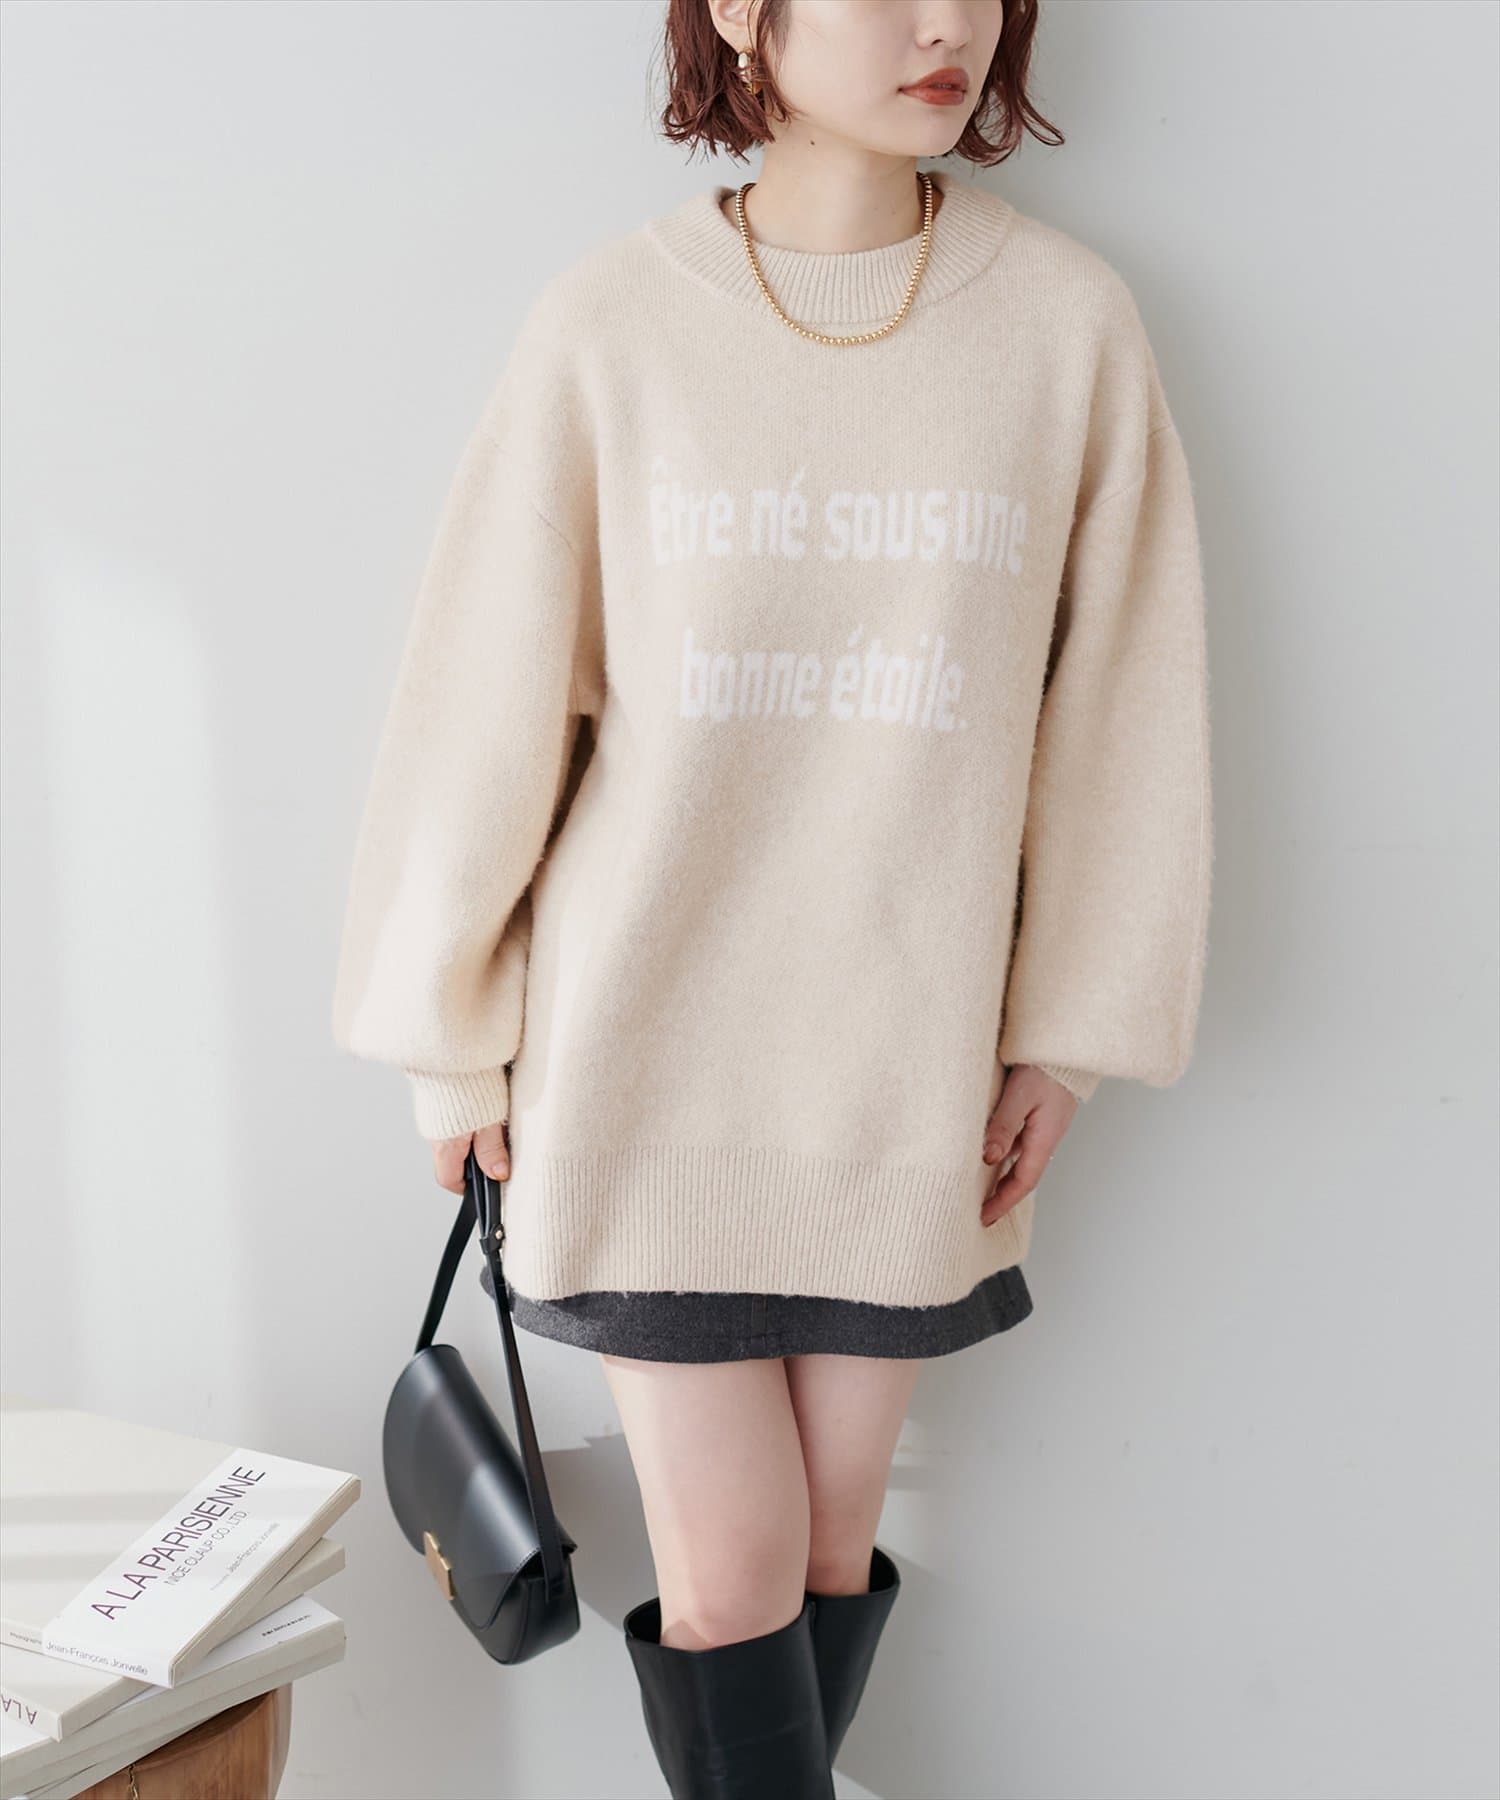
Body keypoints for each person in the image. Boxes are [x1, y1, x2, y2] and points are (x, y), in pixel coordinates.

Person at [330, 0, 1213, 1792]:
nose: (947, 25)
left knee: (818, 1558)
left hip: (905, 1080)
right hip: (640, 1065)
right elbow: (486, 696)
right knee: (734, 1575)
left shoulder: (1064, 329)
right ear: (743, 8)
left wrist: (1070, 1034)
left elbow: (1124, 707)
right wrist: (447, 1040)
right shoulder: (614, 325)